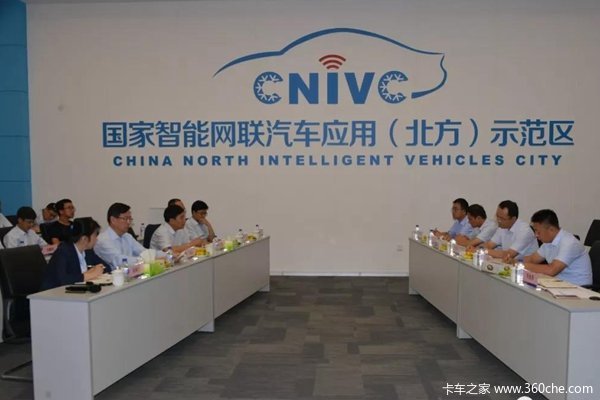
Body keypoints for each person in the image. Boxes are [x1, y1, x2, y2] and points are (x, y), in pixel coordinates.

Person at [523, 209, 592, 286]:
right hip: (558, 284)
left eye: (538, 231)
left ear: (551, 230)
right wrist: (515, 261)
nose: (536, 235)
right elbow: (532, 259)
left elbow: (551, 270)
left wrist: (523, 265)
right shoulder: (548, 242)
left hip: (578, 288)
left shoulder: (569, 243)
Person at [94, 202, 162, 271]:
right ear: (113, 220)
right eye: (125, 219)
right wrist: (145, 259)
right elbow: (119, 261)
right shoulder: (102, 240)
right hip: (113, 276)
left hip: (130, 273)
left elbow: (143, 252)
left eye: (130, 219)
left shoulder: (127, 236)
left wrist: (164, 255)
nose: (129, 222)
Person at [41, 218, 105, 290]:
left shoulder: (88, 251)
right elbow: (63, 280)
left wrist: (97, 269)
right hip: (53, 293)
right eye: (95, 235)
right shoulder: (63, 251)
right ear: (84, 239)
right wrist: (89, 275)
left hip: (78, 291)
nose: (96, 239)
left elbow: (106, 267)